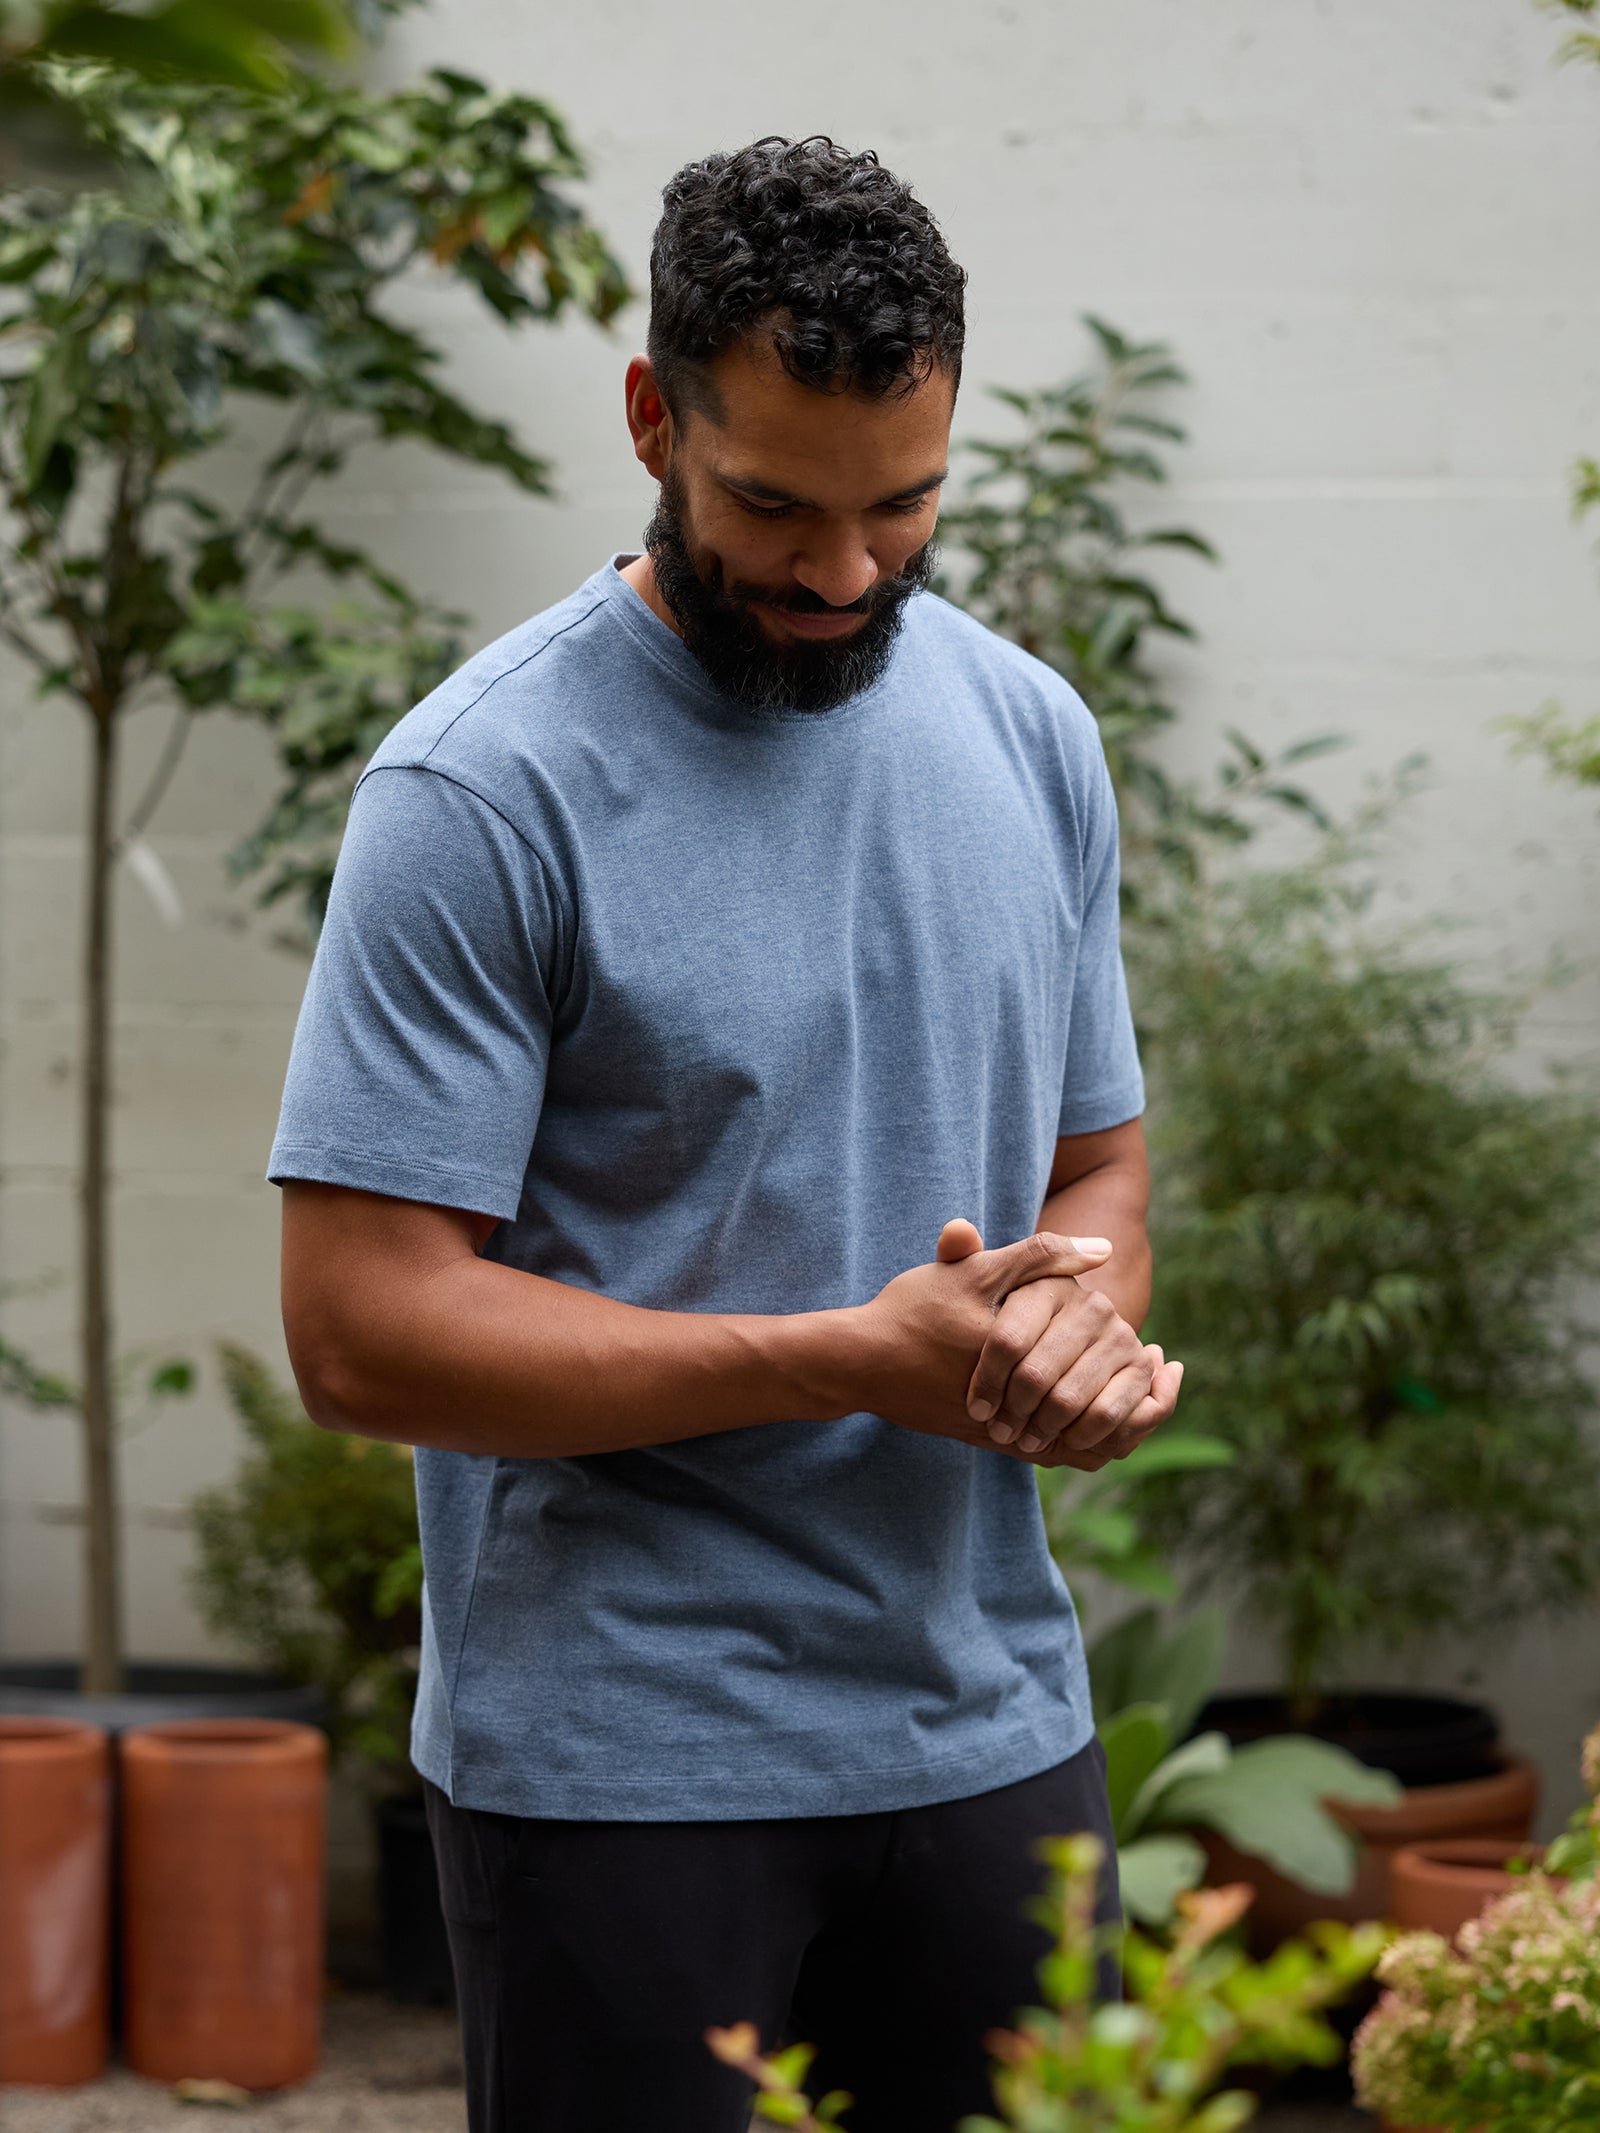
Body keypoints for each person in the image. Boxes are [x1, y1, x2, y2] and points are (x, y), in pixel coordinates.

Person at [269, 134, 1183, 2133]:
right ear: (649, 418)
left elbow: (1090, 1172)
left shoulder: (1030, 736)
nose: (842, 570)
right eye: (772, 501)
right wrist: (847, 1357)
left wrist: (1072, 1319)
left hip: (988, 1729)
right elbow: (359, 1329)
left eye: (903, 505)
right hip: (620, 1771)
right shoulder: (481, 789)